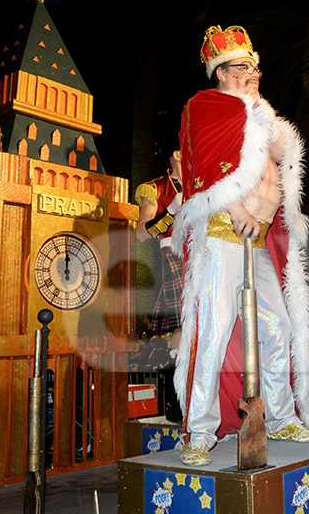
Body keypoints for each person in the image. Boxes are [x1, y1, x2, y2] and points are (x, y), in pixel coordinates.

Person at [171, 25, 309, 466]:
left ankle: (280, 417)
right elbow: (203, 162)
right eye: (243, 67)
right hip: (222, 229)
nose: (253, 73)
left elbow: (281, 153)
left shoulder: (259, 109)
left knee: (276, 326)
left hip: (257, 237)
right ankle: (199, 431)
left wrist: (262, 114)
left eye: (255, 67)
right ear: (221, 71)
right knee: (213, 333)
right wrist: (235, 204)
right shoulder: (204, 105)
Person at [134, 111, 185, 422]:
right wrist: (173, 209)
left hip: (206, 256)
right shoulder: (154, 188)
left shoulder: (204, 182)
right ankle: (175, 400)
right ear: (178, 152)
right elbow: (141, 233)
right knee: (181, 330)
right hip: (175, 256)